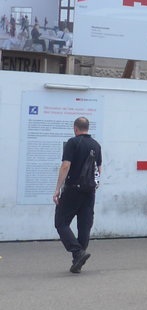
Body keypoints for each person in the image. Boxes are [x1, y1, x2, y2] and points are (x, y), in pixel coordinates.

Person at [52, 116, 102, 273]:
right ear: (88, 128)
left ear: (75, 128)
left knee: (61, 222)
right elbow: (99, 169)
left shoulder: (73, 142)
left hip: (73, 189)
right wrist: (95, 185)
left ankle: (77, 252)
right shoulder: (96, 145)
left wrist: (57, 189)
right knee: (84, 225)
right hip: (89, 191)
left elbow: (66, 166)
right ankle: (77, 261)